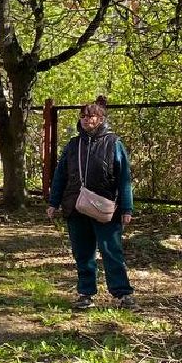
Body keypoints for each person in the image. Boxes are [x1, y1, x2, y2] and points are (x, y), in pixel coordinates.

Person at [47, 100, 134, 310]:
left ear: (101, 119)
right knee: (83, 253)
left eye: (91, 116)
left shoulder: (114, 143)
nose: (87, 120)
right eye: (83, 117)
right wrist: (54, 202)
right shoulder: (73, 145)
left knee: (111, 251)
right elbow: (60, 175)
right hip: (75, 207)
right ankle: (85, 293)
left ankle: (123, 295)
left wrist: (126, 208)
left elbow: (124, 178)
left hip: (105, 209)